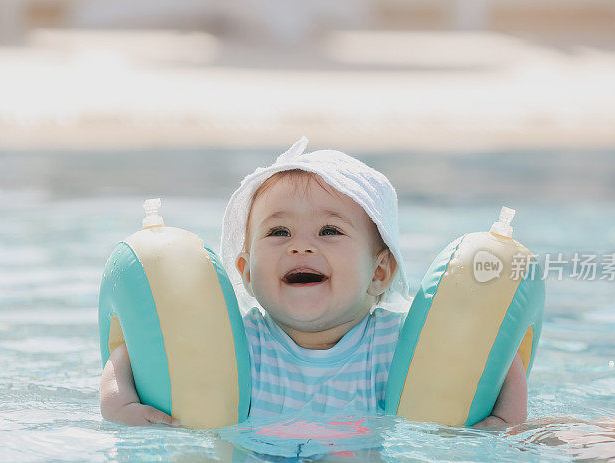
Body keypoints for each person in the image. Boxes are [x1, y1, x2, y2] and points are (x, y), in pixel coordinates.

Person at [99, 137, 527, 428]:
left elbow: (491, 353)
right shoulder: (236, 344)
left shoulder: (399, 344)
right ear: (246, 272)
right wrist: (116, 404)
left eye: (329, 231)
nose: (300, 247)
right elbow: (133, 350)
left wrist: (508, 421)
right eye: (278, 233)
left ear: (379, 273)